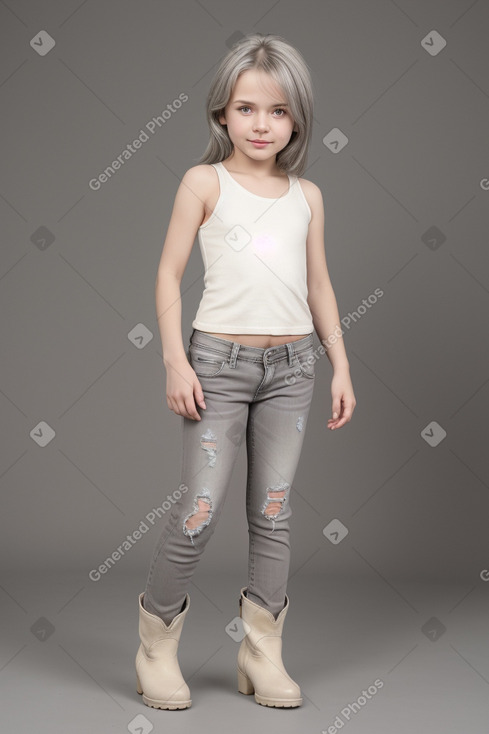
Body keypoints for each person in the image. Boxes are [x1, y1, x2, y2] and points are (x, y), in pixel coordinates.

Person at [135, 32, 356, 711]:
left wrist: (340, 363)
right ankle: (156, 646)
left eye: (278, 111)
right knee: (199, 511)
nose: (261, 124)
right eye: (246, 109)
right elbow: (169, 273)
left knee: (273, 513)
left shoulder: (307, 196)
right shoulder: (204, 182)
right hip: (217, 365)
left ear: (296, 120)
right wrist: (174, 358)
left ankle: (261, 652)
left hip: (292, 367)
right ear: (221, 115)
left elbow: (318, 284)